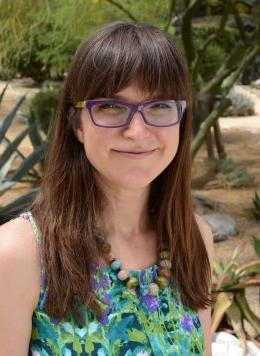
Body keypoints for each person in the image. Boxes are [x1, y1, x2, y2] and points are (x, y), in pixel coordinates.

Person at [0, 21, 214, 355]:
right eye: (111, 106)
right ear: (76, 124)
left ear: (182, 119)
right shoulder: (19, 254)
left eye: (159, 106)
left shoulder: (194, 239)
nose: (137, 131)